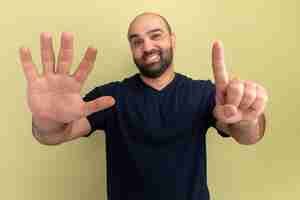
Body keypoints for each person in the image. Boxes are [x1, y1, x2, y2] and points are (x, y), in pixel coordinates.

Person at [20, 12, 268, 200]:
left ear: (172, 39)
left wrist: (247, 120)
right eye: (136, 41)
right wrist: (47, 120)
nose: (147, 47)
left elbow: (247, 136)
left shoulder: (203, 93)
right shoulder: (109, 97)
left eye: (155, 36)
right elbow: (54, 135)